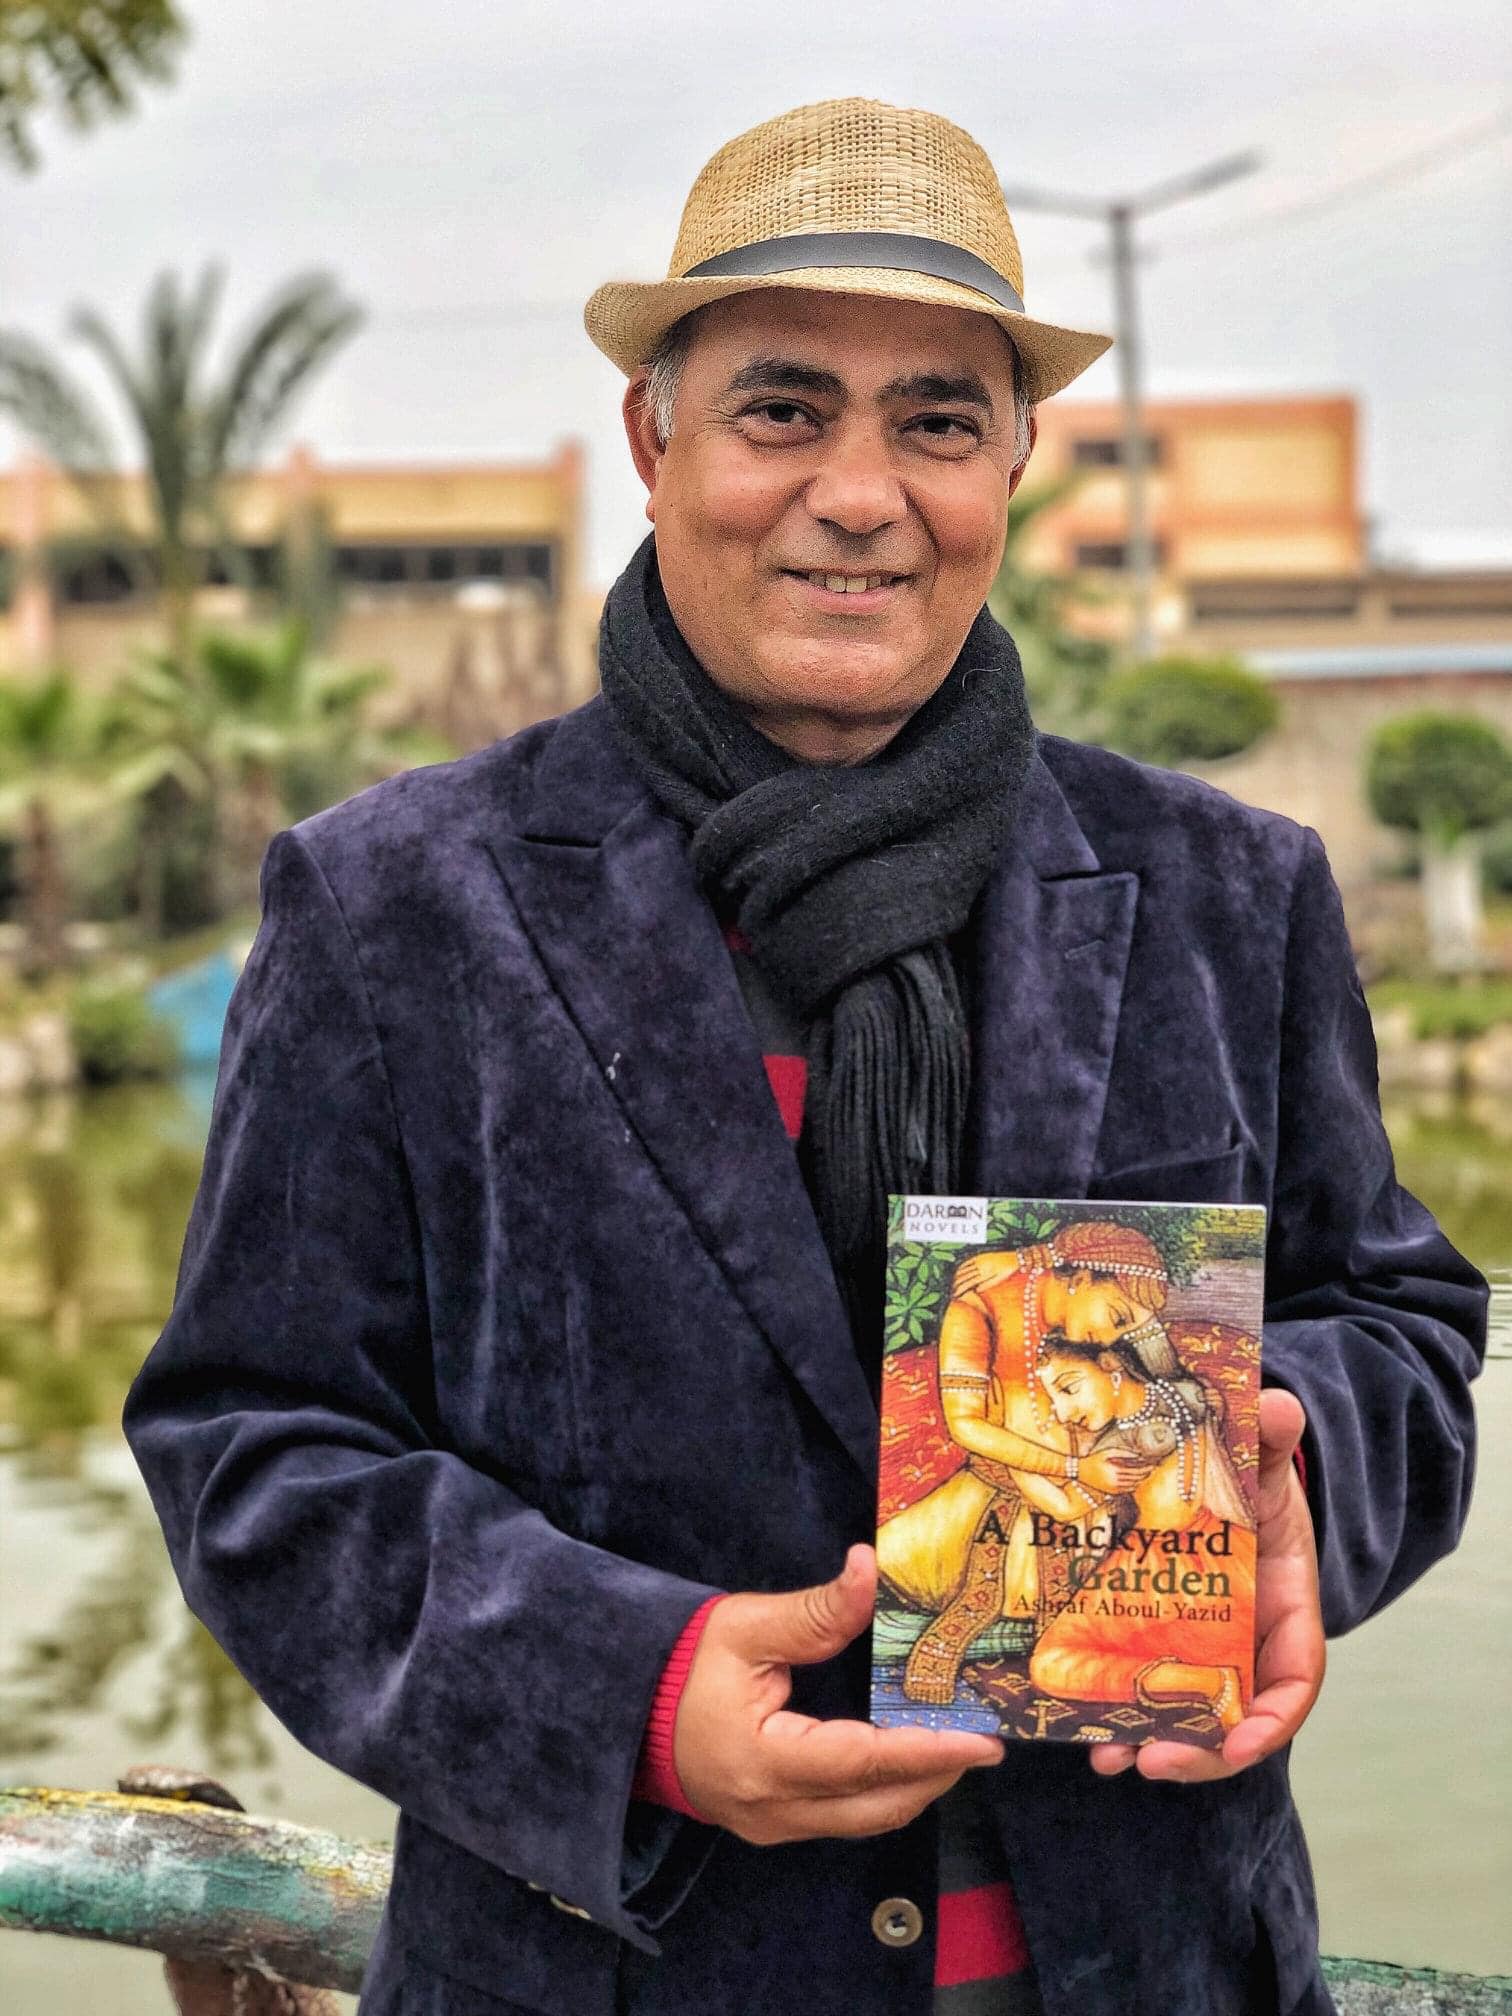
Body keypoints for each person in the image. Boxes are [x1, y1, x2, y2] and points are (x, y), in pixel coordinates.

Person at [120, 97, 1487, 2016]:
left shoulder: (1223, 893)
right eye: (781, 409)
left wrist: (1284, 1476)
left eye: (936, 422)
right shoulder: (395, 907)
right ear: (652, 440)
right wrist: (629, 1691)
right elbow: (253, 1444)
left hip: (1150, 1964)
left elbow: (1400, 1322)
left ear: (1015, 463)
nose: (860, 493)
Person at [877, 1221, 1166, 1703]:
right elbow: (967, 1428)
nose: (1109, 1339)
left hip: (1076, 1499)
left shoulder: (1073, 1326)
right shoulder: (977, 1309)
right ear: (1081, 1277)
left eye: (1123, 1330)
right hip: (991, 1500)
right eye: (1116, 1317)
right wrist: (1073, 1469)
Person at [1028, 1322, 1259, 1731]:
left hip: (1159, 1570)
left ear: (1110, 1365)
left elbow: (1065, 1507)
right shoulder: (1184, 1398)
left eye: (1069, 1388)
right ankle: (1205, 1681)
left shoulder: (1123, 1447)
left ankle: (1204, 1682)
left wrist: (1016, 1464)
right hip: (1219, 1557)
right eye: (1054, 1399)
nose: (1064, 1414)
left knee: (1051, 1664)